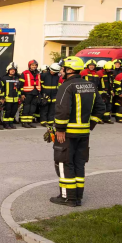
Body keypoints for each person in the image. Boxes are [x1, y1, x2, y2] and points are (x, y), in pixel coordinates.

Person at [50, 56, 105, 207]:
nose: (60, 71)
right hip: (84, 133)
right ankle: (78, 197)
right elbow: (101, 108)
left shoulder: (66, 86)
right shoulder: (91, 85)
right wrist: (90, 125)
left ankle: (68, 198)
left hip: (67, 133)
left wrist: (60, 129)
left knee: (64, 163)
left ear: (69, 70)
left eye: (62, 68)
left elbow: (62, 110)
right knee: (79, 164)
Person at [20, 60, 42, 128]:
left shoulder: (38, 74)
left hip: (35, 93)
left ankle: (29, 122)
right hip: (27, 93)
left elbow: (39, 83)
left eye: (35, 65)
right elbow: (20, 84)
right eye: (33, 65)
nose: (34, 66)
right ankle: (24, 122)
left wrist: (39, 93)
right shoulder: (24, 73)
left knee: (33, 108)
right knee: (26, 107)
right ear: (29, 66)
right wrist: (22, 94)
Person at [39, 63, 62, 127]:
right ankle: (43, 121)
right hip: (45, 94)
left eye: (54, 71)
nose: (52, 72)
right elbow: (40, 85)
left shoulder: (57, 77)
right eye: (52, 70)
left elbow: (58, 86)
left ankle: (50, 121)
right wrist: (42, 94)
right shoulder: (44, 75)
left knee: (52, 109)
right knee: (44, 109)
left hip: (54, 95)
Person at [2, 62, 21, 129]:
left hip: (15, 99)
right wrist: (2, 97)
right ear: (8, 70)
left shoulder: (17, 78)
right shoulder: (4, 78)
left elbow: (18, 88)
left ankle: (11, 123)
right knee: (7, 112)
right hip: (7, 99)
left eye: (14, 70)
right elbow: (2, 89)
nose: (13, 71)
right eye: (11, 69)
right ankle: (5, 124)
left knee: (13, 112)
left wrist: (19, 97)